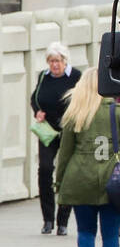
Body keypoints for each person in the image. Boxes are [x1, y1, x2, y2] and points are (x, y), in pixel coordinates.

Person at [54, 70, 120, 247]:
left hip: (80, 180)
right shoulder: (117, 111)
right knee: (110, 236)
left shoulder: (75, 112)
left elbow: (65, 153)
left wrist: (59, 183)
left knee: (86, 230)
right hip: (112, 181)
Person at [30, 42, 78, 235]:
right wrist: (37, 111)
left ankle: (63, 221)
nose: (54, 65)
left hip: (68, 131)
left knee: (67, 173)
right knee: (45, 169)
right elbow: (35, 97)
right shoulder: (44, 76)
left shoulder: (75, 76)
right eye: (51, 61)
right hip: (48, 131)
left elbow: (81, 99)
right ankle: (48, 219)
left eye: (57, 61)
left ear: (64, 61)